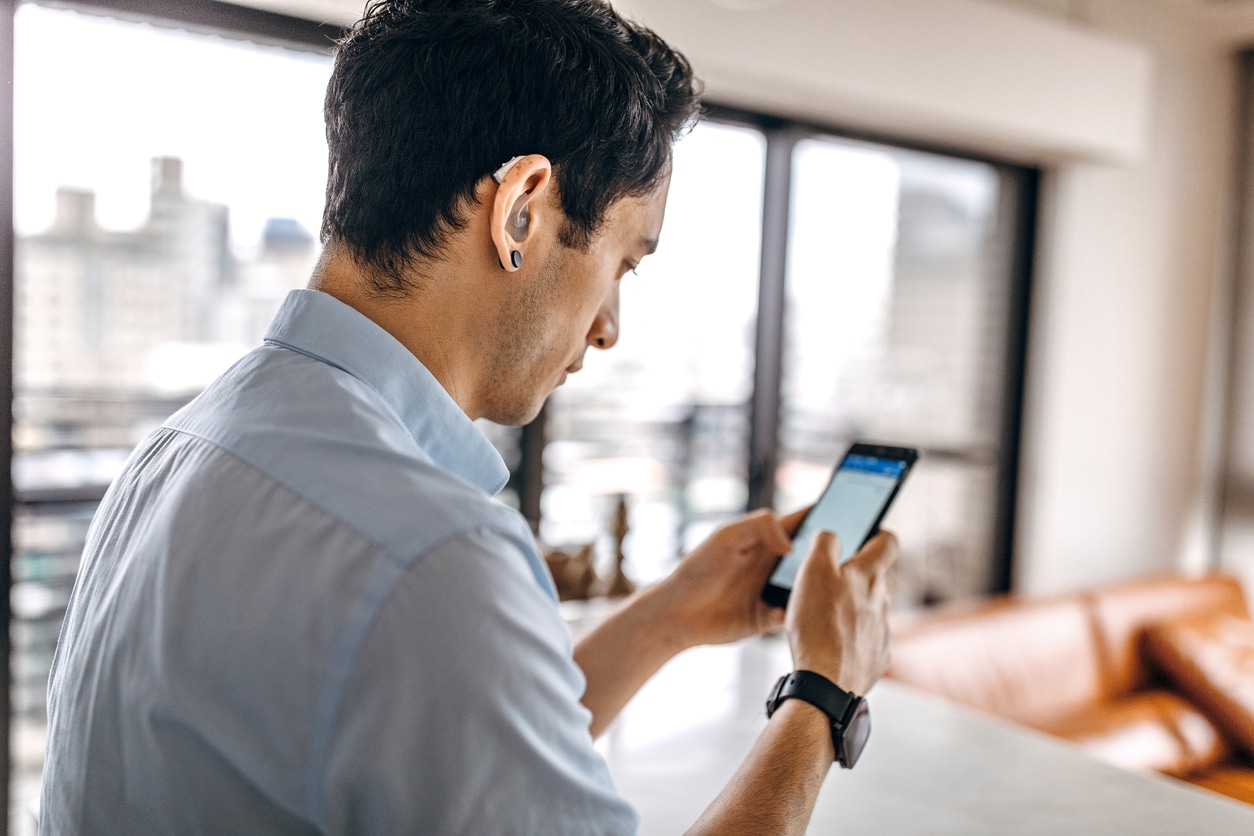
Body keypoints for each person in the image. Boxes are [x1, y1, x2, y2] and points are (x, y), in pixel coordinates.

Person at [39, 0, 897, 833]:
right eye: (623, 265)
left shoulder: (181, 449)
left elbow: (444, 744)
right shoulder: (433, 555)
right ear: (521, 208)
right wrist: (823, 690)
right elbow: (429, 622)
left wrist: (671, 612)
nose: (608, 330)